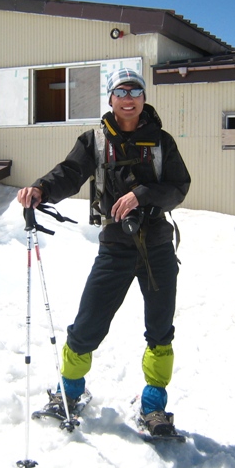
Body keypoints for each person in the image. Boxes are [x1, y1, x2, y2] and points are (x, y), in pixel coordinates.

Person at [17, 67, 191, 436]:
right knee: (87, 325)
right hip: (115, 245)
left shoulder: (161, 141)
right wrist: (40, 190)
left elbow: (179, 186)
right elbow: (68, 173)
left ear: (143, 99)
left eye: (136, 91)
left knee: (160, 330)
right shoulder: (95, 140)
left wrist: (142, 194)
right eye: (121, 91)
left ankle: (153, 408)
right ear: (110, 99)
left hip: (157, 244)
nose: (129, 98)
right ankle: (70, 392)